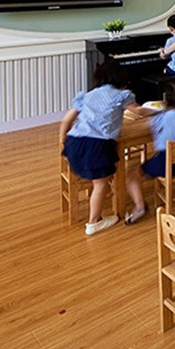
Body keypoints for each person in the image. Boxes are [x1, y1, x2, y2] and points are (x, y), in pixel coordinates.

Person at [59, 59, 151, 235]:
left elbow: (66, 120)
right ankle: (94, 222)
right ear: (121, 79)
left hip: (74, 144)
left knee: (101, 179)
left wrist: (63, 140)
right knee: (101, 184)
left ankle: (96, 212)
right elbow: (138, 111)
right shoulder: (121, 95)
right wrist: (157, 111)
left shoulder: (87, 95)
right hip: (97, 146)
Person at [123, 80, 175, 224]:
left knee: (131, 176)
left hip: (166, 164)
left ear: (165, 99)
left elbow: (147, 126)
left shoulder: (160, 118)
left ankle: (140, 207)